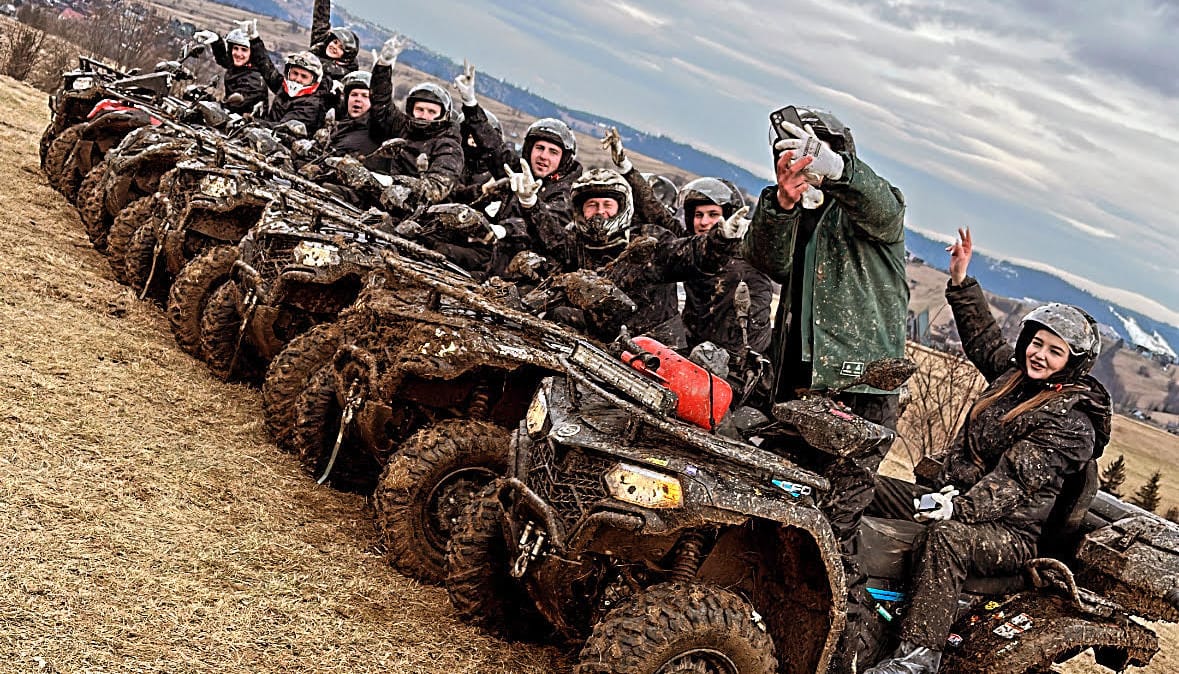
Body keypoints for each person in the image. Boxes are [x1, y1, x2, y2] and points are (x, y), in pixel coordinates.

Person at [863, 228, 1109, 674]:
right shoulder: (1015, 378)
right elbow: (981, 338)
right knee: (866, 485)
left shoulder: (1072, 423)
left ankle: (917, 657)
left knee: (946, 539)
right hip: (951, 499)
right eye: (1037, 342)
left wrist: (958, 510)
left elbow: (1012, 481)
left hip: (1008, 532)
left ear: (1072, 363)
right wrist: (960, 280)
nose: (1039, 355)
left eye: (1055, 351)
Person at [741, 105, 907, 671]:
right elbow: (765, 260)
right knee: (770, 507)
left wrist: (836, 169)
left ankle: (847, 654)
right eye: (790, 154)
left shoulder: (868, 216)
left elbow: (883, 204)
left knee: (833, 528)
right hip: (795, 390)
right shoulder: (802, 213)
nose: (801, 163)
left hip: (859, 393)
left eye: (811, 152)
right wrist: (782, 202)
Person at [509, 167, 746, 343]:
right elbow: (552, 239)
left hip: (655, 347)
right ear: (581, 210)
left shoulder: (650, 241)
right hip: (598, 342)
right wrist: (530, 204)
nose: (600, 212)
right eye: (592, 205)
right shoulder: (578, 243)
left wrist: (722, 240)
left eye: (607, 204)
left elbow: (692, 254)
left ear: (622, 207)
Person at [602, 128, 772, 358]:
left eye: (713, 214)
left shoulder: (754, 254)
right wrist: (627, 169)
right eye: (698, 215)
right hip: (691, 354)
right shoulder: (694, 249)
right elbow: (656, 212)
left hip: (738, 363)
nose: (704, 222)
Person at [451, 62, 583, 269]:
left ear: (564, 159)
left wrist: (503, 230)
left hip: (527, 272)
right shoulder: (521, 170)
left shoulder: (567, 194)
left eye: (553, 152)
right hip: (494, 255)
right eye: (540, 148)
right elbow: (492, 146)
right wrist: (470, 104)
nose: (544, 157)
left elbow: (547, 228)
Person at [367, 36, 463, 206]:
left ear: (443, 115)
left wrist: (392, 182)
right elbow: (381, 104)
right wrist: (383, 66)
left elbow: (436, 189)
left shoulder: (449, 147)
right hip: (378, 196)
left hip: (417, 213)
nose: (424, 115)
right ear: (411, 110)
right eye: (420, 109)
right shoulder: (403, 126)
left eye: (432, 111)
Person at [243, 19, 333, 133]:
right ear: (288, 73)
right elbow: (267, 69)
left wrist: (253, 122)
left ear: (314, 81)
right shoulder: (284, 88)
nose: (298, 79)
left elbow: (283, 128)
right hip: (265, 137)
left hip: (287, 146)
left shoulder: (311, 105)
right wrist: (254, 40)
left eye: (304, 76)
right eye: (295, 73)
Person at [191, 27, 268, 114]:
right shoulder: (242, 67)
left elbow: (238, 105)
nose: (239, 54)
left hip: (245, 123)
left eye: (244, 50)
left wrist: (212, 102)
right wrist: (216, 41)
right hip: (231, 120)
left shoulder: (254, 78)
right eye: (235, 48)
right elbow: (224, 59)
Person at [309, 0, 360, 81]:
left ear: (345, 56)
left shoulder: (345, 79)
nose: (334, 47)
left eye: (341, 48)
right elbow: (321, 18)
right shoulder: (319, 46)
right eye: (335, 42)